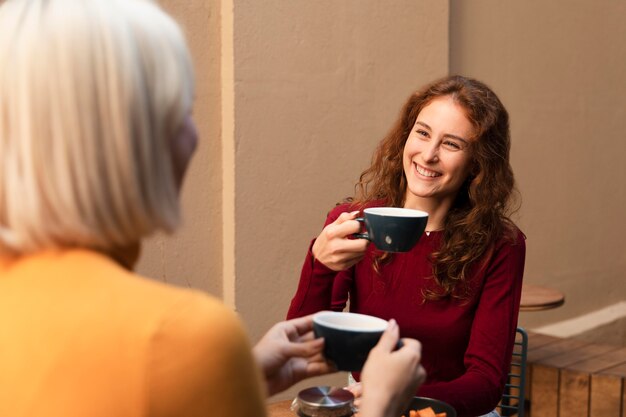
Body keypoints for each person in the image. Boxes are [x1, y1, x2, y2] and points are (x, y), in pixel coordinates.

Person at [0, 0, 426, 416]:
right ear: (127, 141)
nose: (195, 137)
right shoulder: (180, 338)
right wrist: (380, 407)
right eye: (182, 112)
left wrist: (239, 375)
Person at [287, 75, 526, 417]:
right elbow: (300, 347)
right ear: (406, 136)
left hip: (449, 411)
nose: (428, 155)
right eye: (423, 133)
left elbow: (486, 383)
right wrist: (320, 264)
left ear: (477, 163)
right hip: (365, 403)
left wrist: (391, 397)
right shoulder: (352, 221)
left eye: (451, 144)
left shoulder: (501, 245)